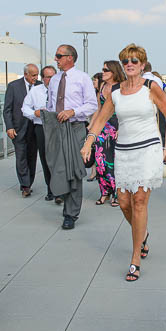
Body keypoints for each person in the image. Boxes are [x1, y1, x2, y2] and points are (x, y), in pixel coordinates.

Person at [81, 44, 166, 281]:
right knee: (124, 203)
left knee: (140, 200)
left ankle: (135, 258)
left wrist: (165, 148)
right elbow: (101, 119)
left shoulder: (150, 87)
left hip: (148, 150)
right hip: (123, 151)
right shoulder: (115, 92)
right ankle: (141, 234)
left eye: (134, 60)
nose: (130, 64)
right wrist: (88, 142)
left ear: (142, 64)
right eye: (126, 61)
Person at [45, 44, 98, 229]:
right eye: (56, 55)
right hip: (56, 129)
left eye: (59, 56)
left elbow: (92, 105)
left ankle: (71, 213)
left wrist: (72, 111)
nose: (56, 59)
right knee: (58, 167)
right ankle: (62, 197)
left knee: (74, 171)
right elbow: (51, 104)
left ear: (70, 57)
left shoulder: (82, 78)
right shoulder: (54, 80)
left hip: (75, 127)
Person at [88, 60, 125, 207]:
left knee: (114, 161)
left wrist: (122, 128)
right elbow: (98, 108)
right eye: (102, 70)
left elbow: (125, 110)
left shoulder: (121, 87)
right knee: (100, 160)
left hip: (116, 126)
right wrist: (91, 127)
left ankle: (116, 193)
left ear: (114, 72)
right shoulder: (103, 86)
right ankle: (104, 191)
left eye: (105, 70)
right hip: (102, 127)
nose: (102, 72)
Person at [22, 65, 57, 201]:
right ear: (43, 78)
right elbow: (24, 108)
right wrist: (34, 113)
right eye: (48, 77)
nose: (51, 79)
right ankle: (51, 190)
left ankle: (60, 190)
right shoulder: (35, 91)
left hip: (57, 128)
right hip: (41, 128)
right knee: (45, 159)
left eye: (53, 76)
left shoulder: (62, 90)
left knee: (57, 160)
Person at [4, 64, 39, 197]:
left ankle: (29, 181)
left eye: (37, 75)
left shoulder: (40, 86)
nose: (35, 78)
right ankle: (25, 185)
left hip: (35, 128)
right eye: (33, 75)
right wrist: (9, 127)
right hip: (18, 128)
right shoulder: (13, 86)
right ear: (26, 74)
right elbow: (7, 109)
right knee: (21, 156)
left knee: (32, 156)